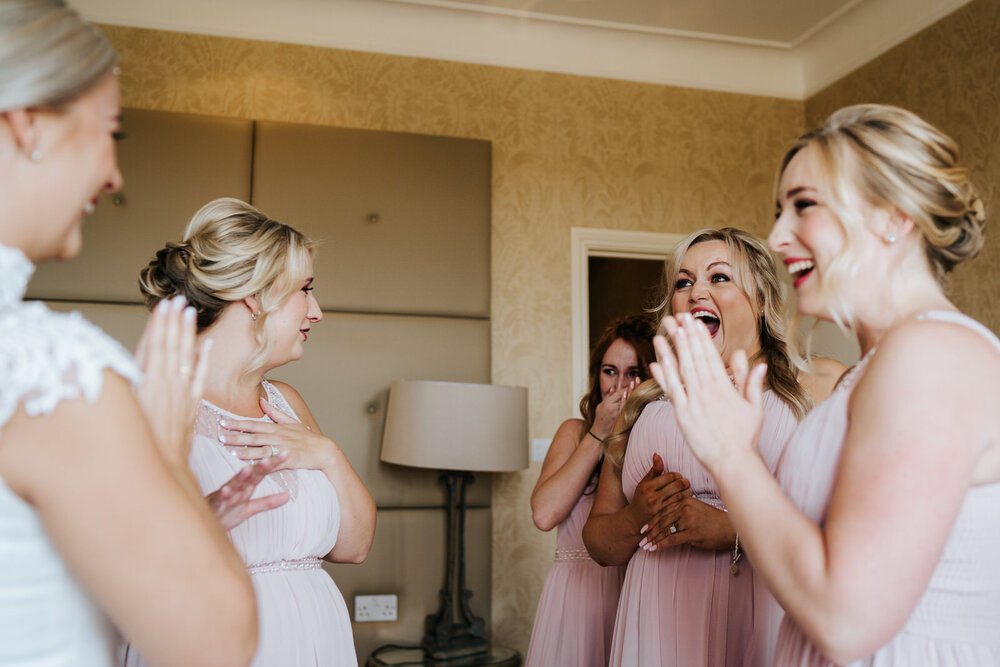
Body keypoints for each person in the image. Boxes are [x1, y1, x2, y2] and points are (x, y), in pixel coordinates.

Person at [651, 104, 1000, 665]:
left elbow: (846, 619)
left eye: (804, 206)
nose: (777, 234)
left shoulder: (932, 355)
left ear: (894, 216)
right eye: (778, 210)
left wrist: (731, 455)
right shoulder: (871, 370)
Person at [0, 1, 274, 665]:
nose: (114, 174)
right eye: (110, 133)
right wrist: (167, 454)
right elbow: (218, 643)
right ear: (28, 123)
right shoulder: (56, 373)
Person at [133, 197, 377, 667]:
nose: (317, 311)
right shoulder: (150, 403)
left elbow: (354, 546)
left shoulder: (286, 402)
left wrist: (328, 455)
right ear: (256, 295)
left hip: (317, 642)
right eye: (305, 289)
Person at [583, 228, 843, 667]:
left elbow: (851, 529)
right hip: (658, 623)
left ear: (761, 300)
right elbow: (599, 543)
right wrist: (635, 516)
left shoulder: (817, 385)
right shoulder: (645, 400)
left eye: (718, 277)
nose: (695, 291)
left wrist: (732, 531)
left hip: (761, 607)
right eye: (683, 283)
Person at [525, 314, 655, 667]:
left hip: (631, 592)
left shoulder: (655, 440)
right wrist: (598, 432)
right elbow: (543, 514)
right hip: (573, 597)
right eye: (609, 371)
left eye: (633, 373)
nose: (619, 386)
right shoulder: (574, 431)